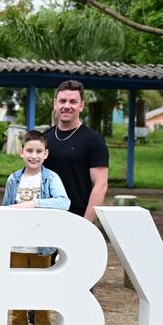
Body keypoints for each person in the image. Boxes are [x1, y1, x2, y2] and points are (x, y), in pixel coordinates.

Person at [2, 130, 70, 325]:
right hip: (17, 246)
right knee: (17, 290)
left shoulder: (51, 178)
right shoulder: (13, 179)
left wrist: (34, 204)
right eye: (29, 151)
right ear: (21, 152)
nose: (34, 155)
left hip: (42, 246)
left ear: (46, 154)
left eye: (39, 151)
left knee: (42, 290)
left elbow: (63, 202)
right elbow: (5, 210)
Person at [43, 80, 109, 222]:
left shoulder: (93, 139)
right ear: (55, 104)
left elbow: (101, 185)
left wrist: (85, 223)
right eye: (62, 101)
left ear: (81, 106)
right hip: (45, 217)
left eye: (73, 102)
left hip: (77, 218)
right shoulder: (44, 138)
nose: (67, 106)